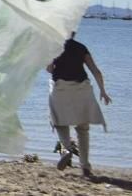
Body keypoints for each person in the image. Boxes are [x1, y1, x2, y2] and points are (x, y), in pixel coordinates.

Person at [47, 32, 112, 177]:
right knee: (83, 129)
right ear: (74, 33)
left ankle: (66, 151)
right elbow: (95, 70)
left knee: (60, 123)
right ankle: (85, 166)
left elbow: (50, 69)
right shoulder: (81, 47)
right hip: (82, 90)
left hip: (60, 89)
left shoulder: (53, 47)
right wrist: (103, 90)